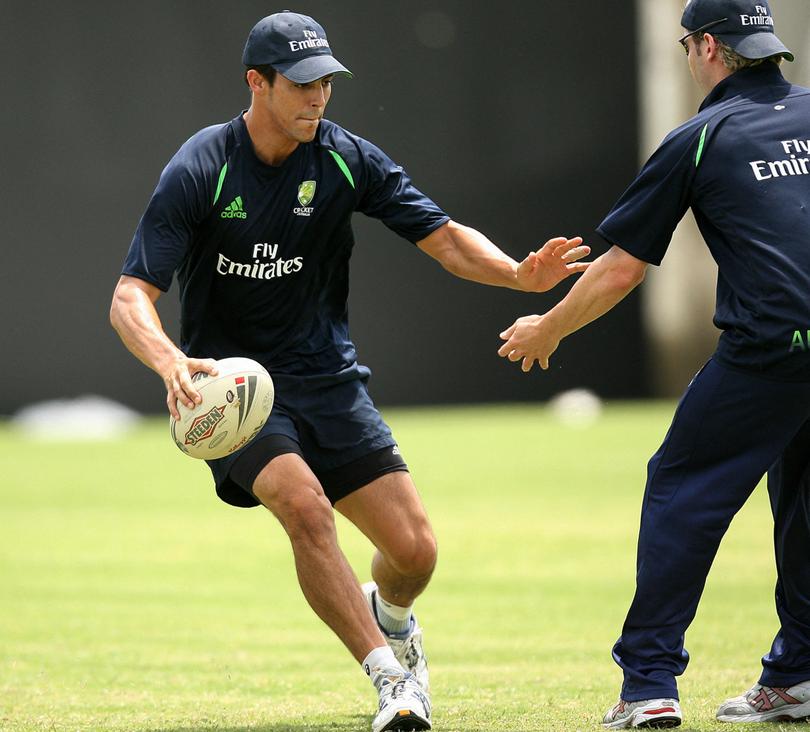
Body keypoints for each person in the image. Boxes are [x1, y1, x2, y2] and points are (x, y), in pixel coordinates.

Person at [110, 11, 589, 732]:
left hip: (328, 378)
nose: (317, 97)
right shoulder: (203, 166)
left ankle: (389, 614)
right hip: (240, 391)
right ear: (257, 82)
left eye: (326, 82)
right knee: (304, 507)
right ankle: (391, 680)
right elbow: (129, 297)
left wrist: (520, 276)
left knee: (414, 552)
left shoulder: (343, 157)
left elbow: (446, 240)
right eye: (301, 84)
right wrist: (171, 361)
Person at [498, 0, 810, 727]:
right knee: (803, 501)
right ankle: (797, 674)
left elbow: (619, 270)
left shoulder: (699, 137)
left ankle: (648, 686)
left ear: (705, 46)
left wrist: (547, 326)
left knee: (682, 490)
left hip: (768, 353)